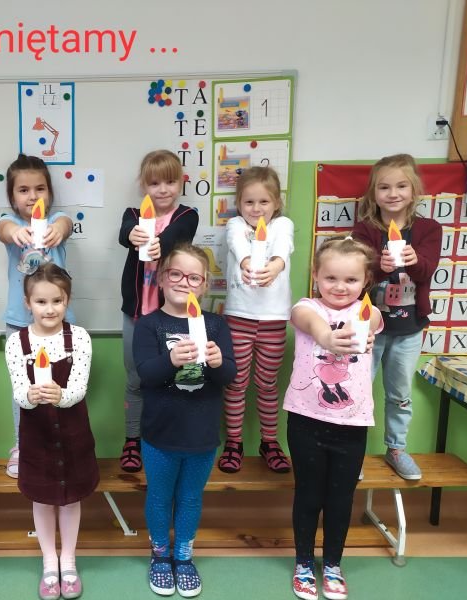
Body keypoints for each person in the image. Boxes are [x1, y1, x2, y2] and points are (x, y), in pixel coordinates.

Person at [133, 243, 236, 597]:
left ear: (204, 285)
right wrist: (171, 359)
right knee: (160, 496)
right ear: (161, 279)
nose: (184, 282)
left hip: (201, 434)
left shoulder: (216, 325)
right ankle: (160, 555)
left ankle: (184, 556)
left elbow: (229, 376)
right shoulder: (149, 325)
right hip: (160, 434)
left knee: (191, 497)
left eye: (194, 277)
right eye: (176, 274)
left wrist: (218, 363)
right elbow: (146, 375)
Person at [284, 237, 382, 600]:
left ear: (366, 281)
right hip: (306, 421)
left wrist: (360, 331)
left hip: (352, 425)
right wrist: (327, 336)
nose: (340, 287)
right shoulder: (306, 308)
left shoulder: (369, 314)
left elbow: (371, 320)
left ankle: (333, 565)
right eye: (331, 278)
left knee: (341, 500)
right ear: (315, 275)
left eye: (351, 280)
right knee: (308, 495)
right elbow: (309, 321)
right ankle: (303, 563)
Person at [4, 263, 96, 600]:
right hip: (37, 435)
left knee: (70, 499)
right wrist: (30, 396)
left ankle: (68, 561)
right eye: (41, 302)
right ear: (27, 303)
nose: (50, 309)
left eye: (57, 301)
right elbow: (18, 392)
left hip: (73, 434)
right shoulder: (17, 342)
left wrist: (61, 395)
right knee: (42, 499)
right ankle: (49, 561)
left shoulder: (79, 338)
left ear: (67, 300)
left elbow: (79, 389)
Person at [352, 154, 439, 481]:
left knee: (400, 394)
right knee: (357, 391)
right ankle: (352, 452)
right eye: (384, 187)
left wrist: (414, 261)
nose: (393, 193)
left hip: (408, 330)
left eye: (401, 186)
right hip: (369, 330)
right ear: (373, 193)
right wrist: (377, 267)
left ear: (414, 190)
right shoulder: (364, 229)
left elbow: (427, 271)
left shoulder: (429, 229)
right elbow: (355, 273)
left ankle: (397, 449)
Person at [119, 149, 199, 473]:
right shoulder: (133, 214)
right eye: (154, 183)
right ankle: (132, 440)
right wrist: (132, 233)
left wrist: (158, 244)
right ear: (143, 185)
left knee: (172, 378)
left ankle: (166, 439)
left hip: (171, 316)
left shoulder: (187, 215)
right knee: (135, 379)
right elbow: (125, 231)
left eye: (170, 182)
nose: (163, 189)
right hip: (136, 315)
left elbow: (177, 237)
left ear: (180, 182)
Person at [0, 154, 74, 479]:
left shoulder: (58, 220)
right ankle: (22, 445)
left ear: (50, 192)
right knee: (24, 391)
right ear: (12, 197)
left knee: (60, 387)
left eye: (40, 189)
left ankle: (59, 445)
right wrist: (16, 231)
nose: (32, 197)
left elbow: (66, 225)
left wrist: (56, 228)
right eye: (23, 190)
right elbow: (2, 229)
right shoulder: (10, 222)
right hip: (20, 323)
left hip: (59, 325)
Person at [219, 166, 294, 474]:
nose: (256, 208)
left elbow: (283, 247)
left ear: (276, 202)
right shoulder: (235, 224)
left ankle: (269, 442)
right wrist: (248, 261)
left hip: (274, 320)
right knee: (235, 383)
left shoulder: (282, 224)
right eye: (249, 202)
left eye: (264, 201)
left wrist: (275, 266)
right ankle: (234, 442)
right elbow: (237, 244)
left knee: (266, 384)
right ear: (239, 203)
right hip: (239, 318)